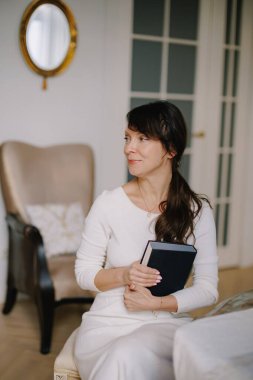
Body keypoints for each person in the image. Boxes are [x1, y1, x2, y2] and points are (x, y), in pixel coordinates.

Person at [74, 101, 218, 380]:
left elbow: (208, 289)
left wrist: (157, 304)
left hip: (165, 326)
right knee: (122, 355)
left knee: (130, 353)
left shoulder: (197, 210)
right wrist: (124, 273)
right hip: (107, 325)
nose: (129, 148)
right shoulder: (108, 204)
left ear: (171, 150)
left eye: (142, 139)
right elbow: (84, 273)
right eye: (127, 138)